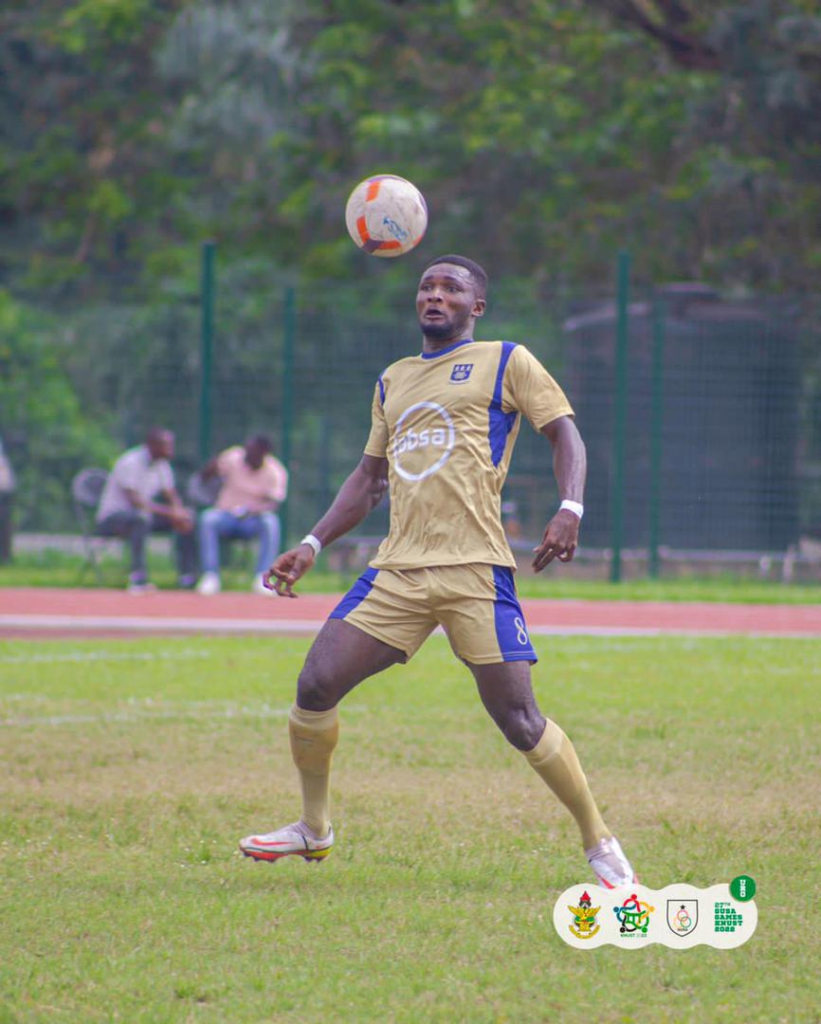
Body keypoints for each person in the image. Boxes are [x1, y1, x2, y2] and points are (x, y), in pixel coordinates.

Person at [239, 255, 637, 889]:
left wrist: (570, 506)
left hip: (475, 568)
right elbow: (369, 481)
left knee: (520, 722)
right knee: (315, 685)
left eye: (451, 287)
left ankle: (600, 841)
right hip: (397, 571)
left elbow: (566, 435)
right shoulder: (392, 380)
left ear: (475, 306)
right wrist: (312, 541)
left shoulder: (507, 360)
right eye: (426, 285)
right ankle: (314, 830)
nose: (434, 294)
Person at [95, 427, 197, 593]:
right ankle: (138, 577)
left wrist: (179, 513)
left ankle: (187, 577)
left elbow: (171, 494)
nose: (170, 450)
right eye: (166, 445)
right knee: (139, 520)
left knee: (187, 520)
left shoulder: (162, 465)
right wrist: (170, 512)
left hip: (144, 516)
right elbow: (136, 502)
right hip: (114, 518)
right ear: (151, 445)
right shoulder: (129, 462)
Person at [195, 434, 288, 596]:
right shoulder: (234, 457)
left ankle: (262, 576)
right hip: (226, 515)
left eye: (253, 453)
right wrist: (214, 466)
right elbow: (207, 475)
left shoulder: (275, 471)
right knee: (208, 518)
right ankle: (210, 575)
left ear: (264, 454)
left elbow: (273, 503)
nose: (247, 456)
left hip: (252, 519)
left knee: (270, 521)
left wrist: (253, 509)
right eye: (247, 451)